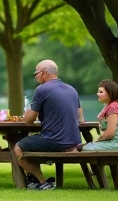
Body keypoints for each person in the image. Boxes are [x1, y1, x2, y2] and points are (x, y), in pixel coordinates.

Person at [14, 60, 84, 190]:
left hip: (54, 140)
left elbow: (28, 121)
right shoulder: (71, 89)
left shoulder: (42, 89)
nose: (35, 76)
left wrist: (26, 115)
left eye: (36, 73)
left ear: (45, 73)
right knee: (32, 143)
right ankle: (34, 180)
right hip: (74, 141)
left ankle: (43, 182)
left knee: (18, 148)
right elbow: (80, 116)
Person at [82, 80, 118, 152]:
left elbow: (110, 133)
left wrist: (98, 140)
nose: (98, 94)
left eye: (101, 92)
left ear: (110, 93)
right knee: (82, 147)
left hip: (117, 143)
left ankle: (95, 163)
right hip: (109, 142)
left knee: (84, 148)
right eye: (98, 92)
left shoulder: (114, 107)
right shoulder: (107, 106)